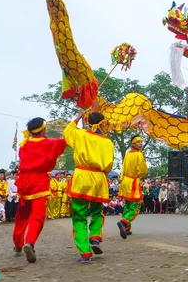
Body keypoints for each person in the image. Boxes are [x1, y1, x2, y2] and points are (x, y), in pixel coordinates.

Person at [14, 117, 67, 263]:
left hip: (24, 182)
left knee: (22, 214)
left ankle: (17, 243)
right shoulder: (48, 143)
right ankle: (29, 242)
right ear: (43, 130)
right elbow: (66, 139)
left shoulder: (24, 145)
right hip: (39, 181)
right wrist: (77, 119)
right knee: (37, 215)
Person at [64, 110, 114, 263]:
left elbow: (67, 131)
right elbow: (109, 165)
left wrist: (78, 117)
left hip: (81, 177)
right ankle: (95, 237)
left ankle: (85, 252)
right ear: (102, 123)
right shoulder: (107, 142)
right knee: (97, 212)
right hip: (98, 178)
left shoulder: (80, 135)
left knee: (79, 216)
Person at [117, 135, 148, 239]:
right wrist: (140, 176)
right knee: (135, 207)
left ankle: (126, 228)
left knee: (127, 205)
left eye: (141, 142)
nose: (140, 143)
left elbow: (123, 168)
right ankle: (124, 222)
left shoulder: (127, 154)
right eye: (138, 142)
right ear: (133, 144)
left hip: (125, 181)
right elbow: (143, 170)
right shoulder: (138, 155)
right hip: (133, 181)